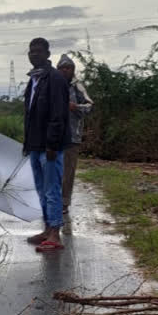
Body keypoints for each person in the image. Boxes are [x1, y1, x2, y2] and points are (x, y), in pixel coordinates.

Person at [23, 38, 71, 252]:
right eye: (31, 51)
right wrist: (27, 143)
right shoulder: (34, 80)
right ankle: (47, 228)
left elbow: (58, 114)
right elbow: (30, 115)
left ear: (47, 54)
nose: (34, 54)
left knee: (52, 189)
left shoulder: (55, 79)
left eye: (38, 51)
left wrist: (52, 144)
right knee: (41, 189)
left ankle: (55, 234)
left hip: (50, 146)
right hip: (35, 144)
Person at [56, 54, 94, 215]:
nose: (65, 70)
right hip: (54, 135)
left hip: (72, 135)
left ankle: (64, 203)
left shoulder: (77, 86)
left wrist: (75, 107)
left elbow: (90, 105)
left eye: (68, 68)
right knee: (53, 170)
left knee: (68, 171)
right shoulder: (53, 85)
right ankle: (52, 200)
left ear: (73, 70)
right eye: (62, 68)